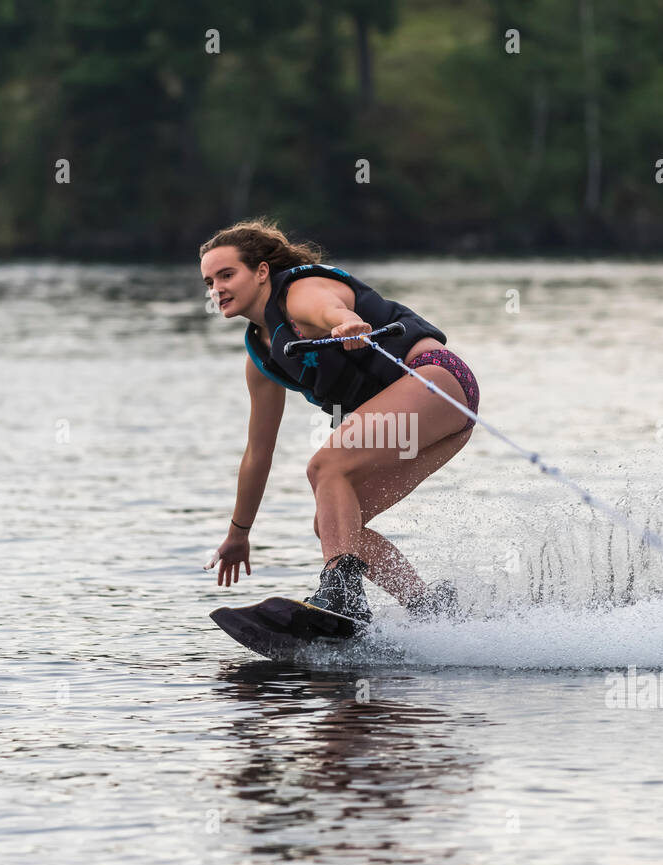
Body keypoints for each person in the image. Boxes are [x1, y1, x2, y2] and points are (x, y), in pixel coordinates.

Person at [201, 219, 480, 623]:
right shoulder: (260, 360)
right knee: (335, 525)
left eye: (227, 275)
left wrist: (344, 322)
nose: (217, 289)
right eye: (210, 282)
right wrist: (239, 534)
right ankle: (431, 610)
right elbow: (258, 453)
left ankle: (341, 592)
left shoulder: (299, 293)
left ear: (262, 272)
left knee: (325, 467)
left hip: (437, 378)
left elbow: (327, 307)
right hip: (445, 419)